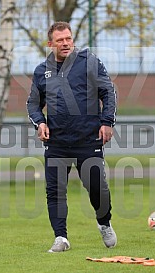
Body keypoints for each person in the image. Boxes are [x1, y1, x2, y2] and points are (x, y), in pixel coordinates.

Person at [27, 21, 117, 252]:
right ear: (50, 44)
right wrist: (40, 122)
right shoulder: (42, 71)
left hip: (88, 139)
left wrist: (107, 122)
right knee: (55, 191)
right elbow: (34, 104)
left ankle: (104, 222)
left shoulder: (89, 62)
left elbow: (108, 92)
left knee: (97, 188)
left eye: (68, 38)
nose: (66, 43)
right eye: (60, 40)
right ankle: (61, 238)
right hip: (56, 143)